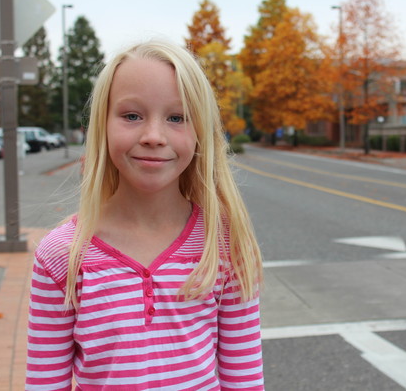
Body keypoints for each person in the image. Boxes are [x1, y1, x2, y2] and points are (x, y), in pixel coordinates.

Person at [26, 40, 264, 390]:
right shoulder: (62, 256)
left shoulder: (225, 247)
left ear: (200, 133)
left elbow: (243, 380)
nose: (154, 136)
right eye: (132, 116)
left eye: (177, 118)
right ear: (102, 126)